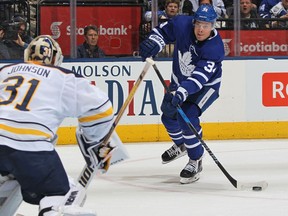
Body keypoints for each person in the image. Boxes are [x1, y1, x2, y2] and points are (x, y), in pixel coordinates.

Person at [0, 35, 115, 215]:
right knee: (66, 193)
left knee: (9, 178)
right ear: (56, 59)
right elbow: (103, 109)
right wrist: (94, 140)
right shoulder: (63, 77)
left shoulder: (6, 70)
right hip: (29, 147)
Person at [139, 4, 224, 184]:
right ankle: (182, 145)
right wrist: (154, 42)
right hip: (179, 81)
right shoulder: (181, 24)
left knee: (188, 117)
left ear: (213, 26)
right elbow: (161, 32)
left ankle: (196, 159)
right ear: (194, 22)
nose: (201, 29)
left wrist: (183, 92)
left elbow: (199, 78)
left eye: (206, 25)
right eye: (199, 24)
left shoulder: (214, 48)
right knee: (168, 117)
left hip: (205, 88)